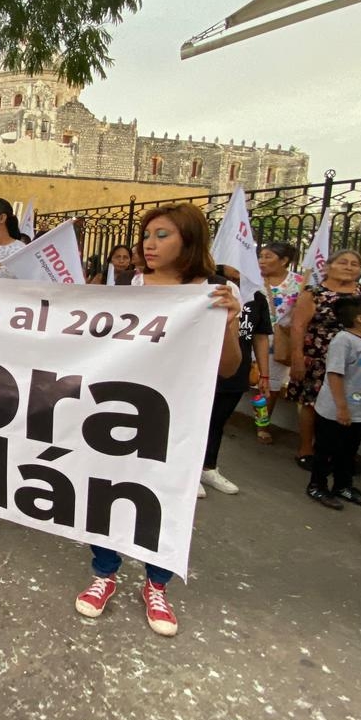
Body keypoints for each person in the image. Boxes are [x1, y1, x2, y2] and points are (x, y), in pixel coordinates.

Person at [75, 203, 241, 637]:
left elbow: (227, 369)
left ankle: (157, 583)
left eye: (162, 234)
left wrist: (226, 324)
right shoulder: (129, 286)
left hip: (176, 419)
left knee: (165, 495)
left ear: (189, 240)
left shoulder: (215, 292)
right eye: (147, 234)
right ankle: (104, 573)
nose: (149, 243)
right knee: (108, 491)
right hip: (118, 410)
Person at [288, 250, 361, 469]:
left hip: (354, 359)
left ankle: (340, 454)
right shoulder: (314, 293)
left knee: (348, 401)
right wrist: (297, 356)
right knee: (311, 402)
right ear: (327, 267)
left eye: (355, 263)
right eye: (343, 262)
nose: (349, 266)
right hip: (318, 356)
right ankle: (307, 449)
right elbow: (298, 326)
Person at [199, 265, 271, 498]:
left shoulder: (257, 295)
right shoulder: (205, 286)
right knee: (196, 422)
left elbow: (260, 336)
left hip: (235, 368)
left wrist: (264, 372)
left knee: (218, 421)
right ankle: (188, 472)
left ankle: (209, 467)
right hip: (203, 367)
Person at [307, 296, 361, 509]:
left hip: (359, 408)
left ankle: (343, 486)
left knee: (348, 451)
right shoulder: (343, 340)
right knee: (326, 450)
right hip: (336, 410)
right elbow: (335, 374)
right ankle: (317, 485)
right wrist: (341, 407)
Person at [258, 241, 305, 397]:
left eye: (268, 257)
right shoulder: (252, 280)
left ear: (284, 261)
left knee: (270, 388)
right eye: (261, 256)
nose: (262, 261)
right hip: (253, 338)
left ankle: (261, 421)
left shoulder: (300, 283)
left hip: (279, 343)